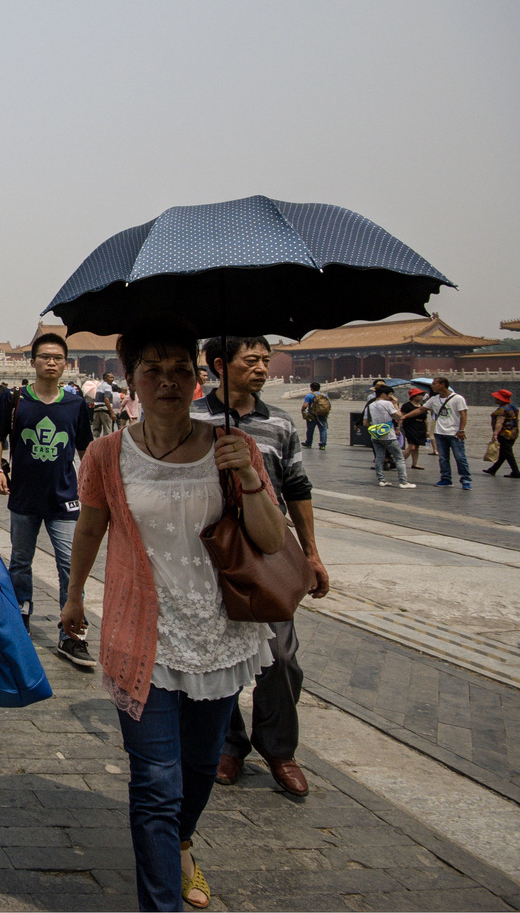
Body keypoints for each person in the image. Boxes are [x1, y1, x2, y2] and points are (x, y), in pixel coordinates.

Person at [62, 323, 288, 912]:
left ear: (199, 375)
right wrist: (74, 595)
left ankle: (184, 841)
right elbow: (90, 527)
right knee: (155, 782)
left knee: (197, 768)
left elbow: (268, 538)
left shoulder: (232, 445)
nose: (167, 381)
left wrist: (248, 477)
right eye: (152, 369)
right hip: (142, 634)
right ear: (130, 378)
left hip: (219, 632)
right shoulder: (107, 453)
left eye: (180, 369)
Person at [193, 337, 329, 800]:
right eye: (250, 361)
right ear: (218, 366)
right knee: (215, 653)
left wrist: (311, 553)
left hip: (267, 553)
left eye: (265, 361)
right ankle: (229, 743)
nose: (261, 369)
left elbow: (297, 485)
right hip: (209, 554)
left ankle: (279, 749)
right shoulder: (192, 420)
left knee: (283, 658)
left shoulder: (280, 422)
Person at [0, 332, 96, 669]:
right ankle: (21, 617)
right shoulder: (15, 400)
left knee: (70, 567)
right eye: (45, 356)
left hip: (65, 500)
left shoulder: (76, 404)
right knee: (20, 561)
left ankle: (71, 633)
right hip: (24, 497)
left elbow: (85, 449)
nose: (51, 362)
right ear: (32, 361)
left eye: (57, 358)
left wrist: (94, 486)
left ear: (66, 364)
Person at [363, 385, 414, 488]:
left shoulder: (370, 405)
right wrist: (395, 404)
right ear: (383, 394)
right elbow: (399, 416)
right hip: (388, 435)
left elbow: (365, 423)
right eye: (390, 394)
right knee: (399, 458)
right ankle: (403, 481)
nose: (392, 397)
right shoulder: (387, 403)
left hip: (375, 435)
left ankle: (381, 480)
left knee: (379, 457)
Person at [426, 377, 471, 489]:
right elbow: (421, 409)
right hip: (439, 432)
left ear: (443, 384)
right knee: (443, 458)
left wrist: (461, 430)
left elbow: (463, 414)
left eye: (434, 384)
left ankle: (466, 480)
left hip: (455, 433)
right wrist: (405, 416)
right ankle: (446, 479)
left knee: (460, 457)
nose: (432, 386)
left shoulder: (458, 398)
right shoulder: (434, 399)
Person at [485, 389, 520, 479]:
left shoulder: (502, 410)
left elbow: (499, 423)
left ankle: (516, 472)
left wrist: (495, 434)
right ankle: (493, 469)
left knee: (508, 453)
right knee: (504, 452)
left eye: (497, 397)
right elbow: (517, 419)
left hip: (505, 434)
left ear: (501, 399)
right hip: (513, 433)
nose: (495, 399)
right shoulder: (513, 407)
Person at [398, 388, 428, 471]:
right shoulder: (407, 406)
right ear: (414, 396)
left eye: (422, 395)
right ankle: (399, 462)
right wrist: (398, 427)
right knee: (411, 447)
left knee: (417, 446)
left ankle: (415, 463)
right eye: (419, 395)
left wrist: (427, 430)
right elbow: (401, 417)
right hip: (410, 426)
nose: (421, 397)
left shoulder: (423, 406)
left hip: (421, 426)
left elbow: (426, 419)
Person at [300, 381, 330, 450]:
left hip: (312, 415)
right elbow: (328, 406)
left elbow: (305, 405)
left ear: (311, 388)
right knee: (323, 430)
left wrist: (302, 410)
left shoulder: (309, 395)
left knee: (310, 429)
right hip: (322, 415)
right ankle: (323, 444)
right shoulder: (324, 396)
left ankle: (309, 443)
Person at [92, 372, 119, 439]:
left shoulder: (99, 386)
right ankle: (106, 446)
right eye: (110, 377)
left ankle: (94, 444)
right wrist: (112, 412)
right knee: (107, 430)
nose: (112, 379)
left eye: (113, 377)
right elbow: (106, 400)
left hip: (97, 409)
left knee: (96, 430)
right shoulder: (108, 386)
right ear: (105, 378)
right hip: (105, 410)